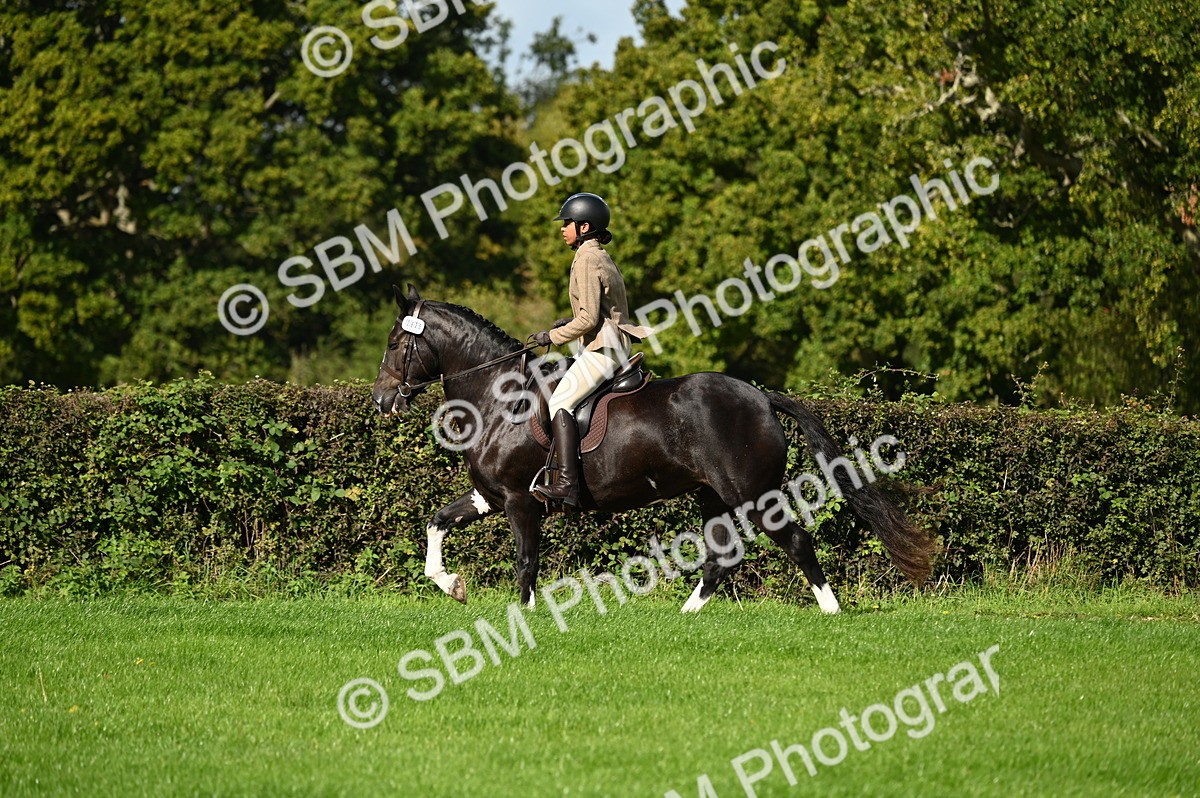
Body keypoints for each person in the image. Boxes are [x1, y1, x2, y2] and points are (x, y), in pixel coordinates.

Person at [529, 192, 650, 507]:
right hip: (609, 342)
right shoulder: (597, 255)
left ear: (584, 227)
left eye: (567, 222)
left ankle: (567, 484)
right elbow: (599, 311)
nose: (562, 228)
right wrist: (568, 322)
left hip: (603, 349)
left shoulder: (585, 258)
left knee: (559, 401)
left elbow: (588, 319)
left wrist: (552, 336)